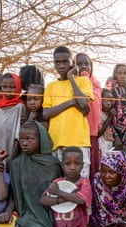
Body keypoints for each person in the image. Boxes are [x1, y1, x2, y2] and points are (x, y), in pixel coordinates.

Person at [0, 121, 62, 227]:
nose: (24, 143)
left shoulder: (52, 165)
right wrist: (8, 212)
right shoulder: (16, 164)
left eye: (29, 139)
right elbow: (14, 196)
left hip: (47, 216)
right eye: (21, 139)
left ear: (41, 140)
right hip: (25, 214)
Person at [43, 46, 93, 178]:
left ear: (72, 63)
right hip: (56, 142)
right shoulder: (51, 86)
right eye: (57, 62)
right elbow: (46, 113)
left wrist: (71, 78)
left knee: (80, 186)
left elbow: (83, 103)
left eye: (65, 62)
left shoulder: (83, 81)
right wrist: (71, 102)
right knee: (57, 185)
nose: (61, 66)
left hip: (79, 142)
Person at [37, 146, 92, 227]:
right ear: (62, 165)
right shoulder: (58, 182)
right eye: (68, 163)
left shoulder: (84, 183)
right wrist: (64, 197)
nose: (72, 167)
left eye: (76, 163)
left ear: (82, 165)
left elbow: (81, 200)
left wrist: (58, 193)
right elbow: (43, 200)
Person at [91, 150, 126, 227]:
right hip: (108, 225)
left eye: (112, 172)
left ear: (121, 172)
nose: (106, 176)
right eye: (103, 171)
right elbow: (98, 209)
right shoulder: (98, 181)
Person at [75, 52, 102, 182]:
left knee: (92, 169)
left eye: (86, 64)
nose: (83, 67)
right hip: (77, 134)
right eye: (79, 64)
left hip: (92, 134)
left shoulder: (96, 85)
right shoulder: (72, 84)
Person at [0, 72, 26, 160]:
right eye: (5, 87)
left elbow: (18, 133)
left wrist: (14, 153)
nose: (8, 90)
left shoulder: (20, 107)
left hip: (11, 147)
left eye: (12, 87)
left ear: (18, 87)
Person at [98, 88, 116, 157]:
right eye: (106, 100)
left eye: (111, 101)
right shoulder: (98, 113)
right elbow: (98, 133)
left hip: (108, 145)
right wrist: (109, 117)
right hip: (101, 144)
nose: (109, 103)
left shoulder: (107, 113)